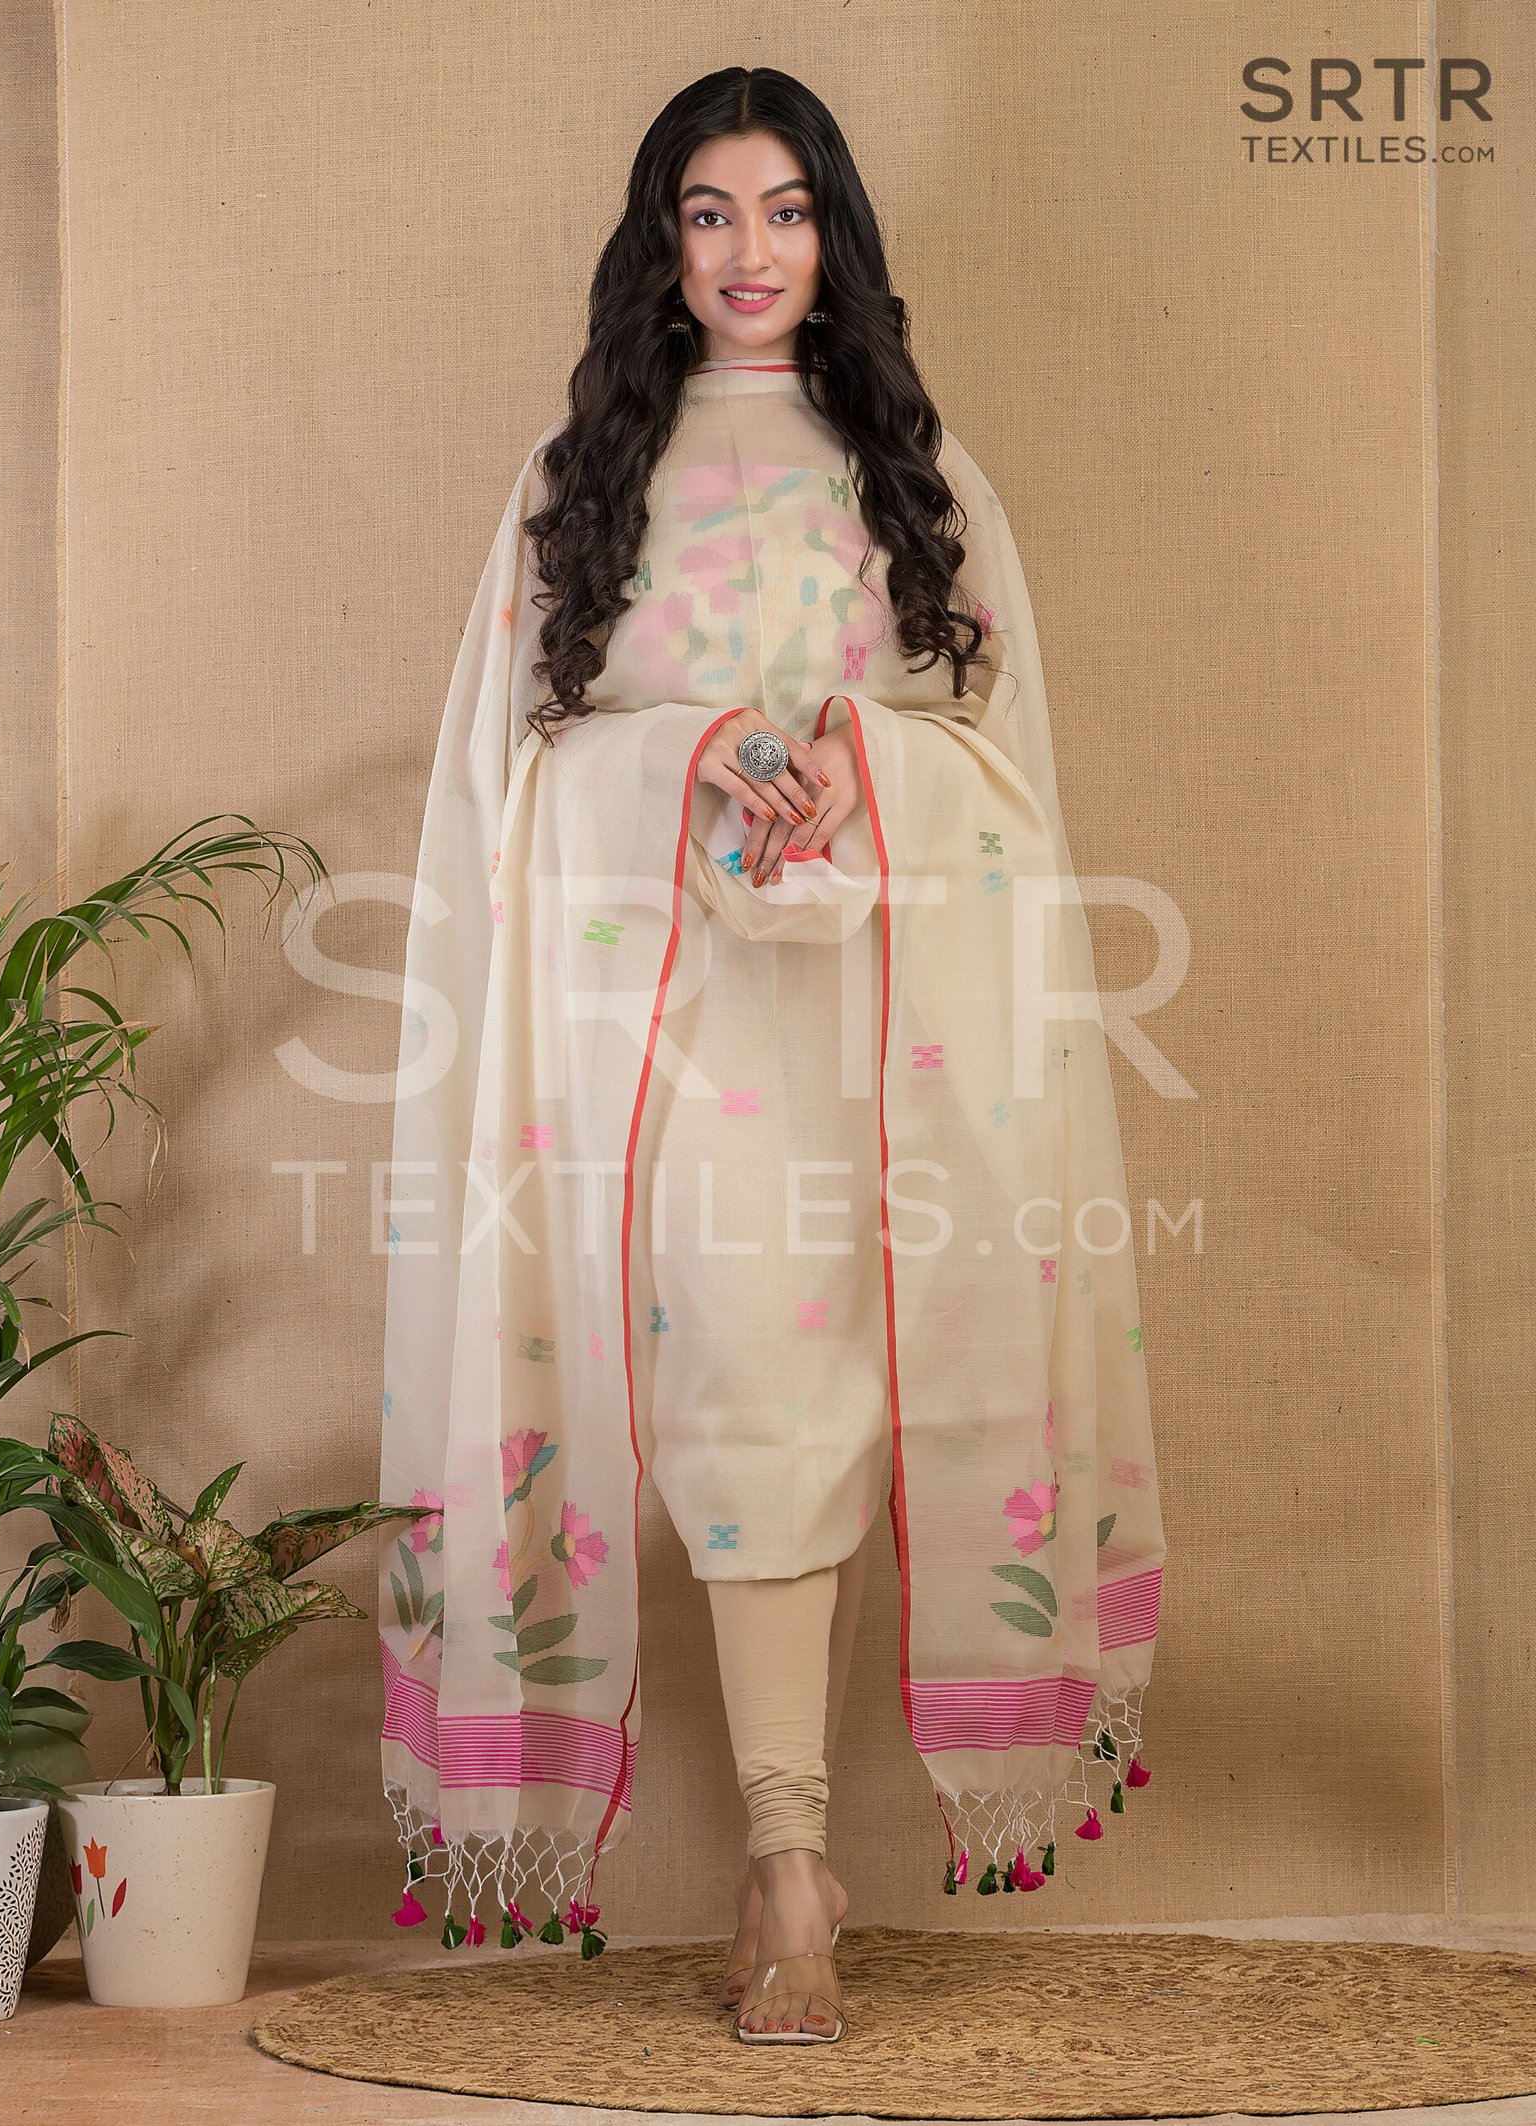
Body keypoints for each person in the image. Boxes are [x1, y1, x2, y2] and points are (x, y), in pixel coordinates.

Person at [378, 66, 1166, 2050]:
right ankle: (791, 1858)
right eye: (710, 212)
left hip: (885, 1026)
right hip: (662, 1039)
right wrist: (689, 752)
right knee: (744, 1409)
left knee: (846, 1408)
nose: (749, 252)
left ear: (836, 236)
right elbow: (508, 778)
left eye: (787, 210)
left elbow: (1005, 766)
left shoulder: (915, 466)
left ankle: (783, 1869)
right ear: (660, 242)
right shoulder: (583, 476)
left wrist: (857, 760)